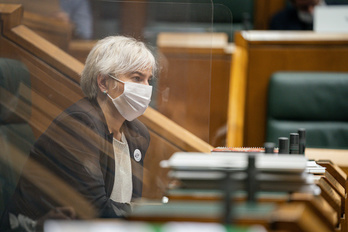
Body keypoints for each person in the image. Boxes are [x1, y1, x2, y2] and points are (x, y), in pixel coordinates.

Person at [0, 35, 157, 231]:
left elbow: (130, 204)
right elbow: (95, 210)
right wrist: (155, 216)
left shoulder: (137, 134)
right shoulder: (79, 125)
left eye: (148, 80)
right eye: (136, 78)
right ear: (103, 82)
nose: (146, 89)